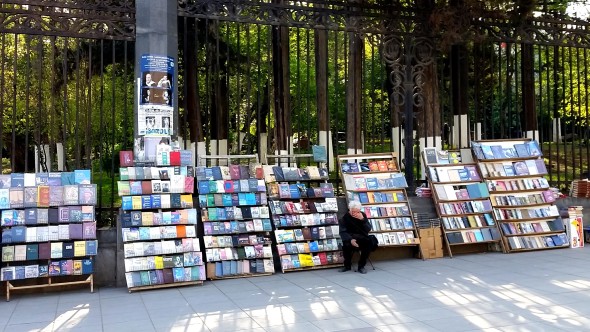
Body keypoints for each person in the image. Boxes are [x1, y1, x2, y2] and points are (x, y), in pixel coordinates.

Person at [339, 200, 372, 274]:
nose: (355, 214)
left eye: (357, 212)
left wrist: (362, 220)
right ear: (349, 209)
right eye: (353, 212)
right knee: (346, 245)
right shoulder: (345, 217)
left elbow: (368, 229)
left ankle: (361, 266)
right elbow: (342, 231)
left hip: (362, 237)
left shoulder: (362, 215)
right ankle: (347, 266)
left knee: (368, 244)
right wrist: (350, 240)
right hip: (350, 238)